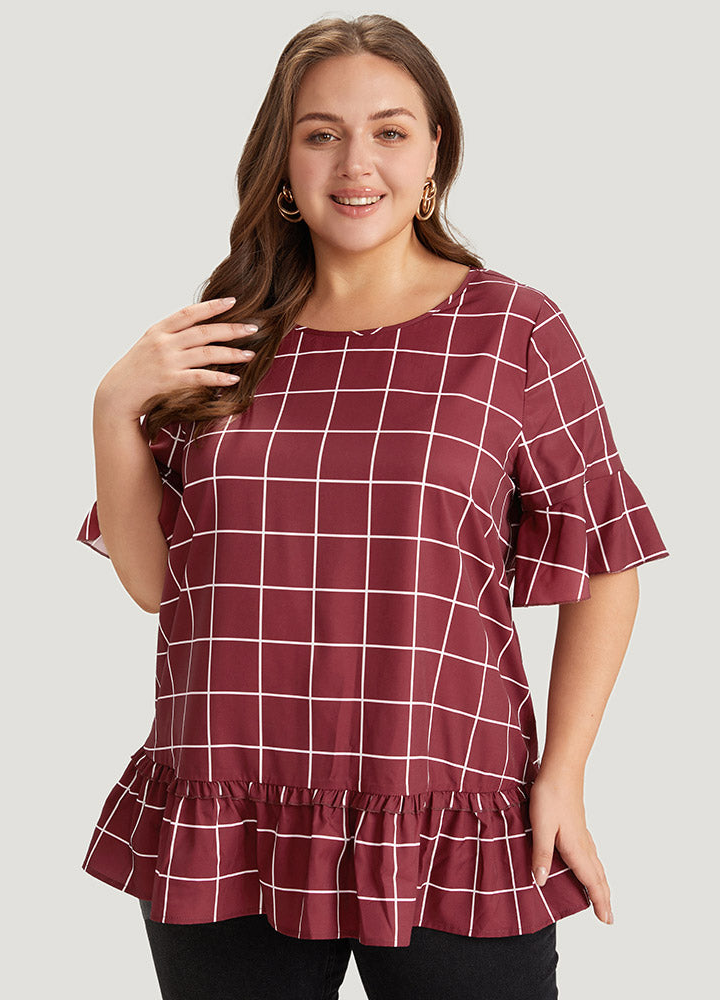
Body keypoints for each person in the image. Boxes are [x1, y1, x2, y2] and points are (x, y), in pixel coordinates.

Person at [75, 13, 669, 1000]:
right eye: (322, 133)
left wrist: (562, 775)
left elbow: (605, 563)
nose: (357, 164)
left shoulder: (514, 330)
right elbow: (155, 584)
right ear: (284, 160)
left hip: (447, 814)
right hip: (230, 811)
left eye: (389, 131)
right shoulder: (224, 336)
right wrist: (112, 407)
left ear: (435, 152)